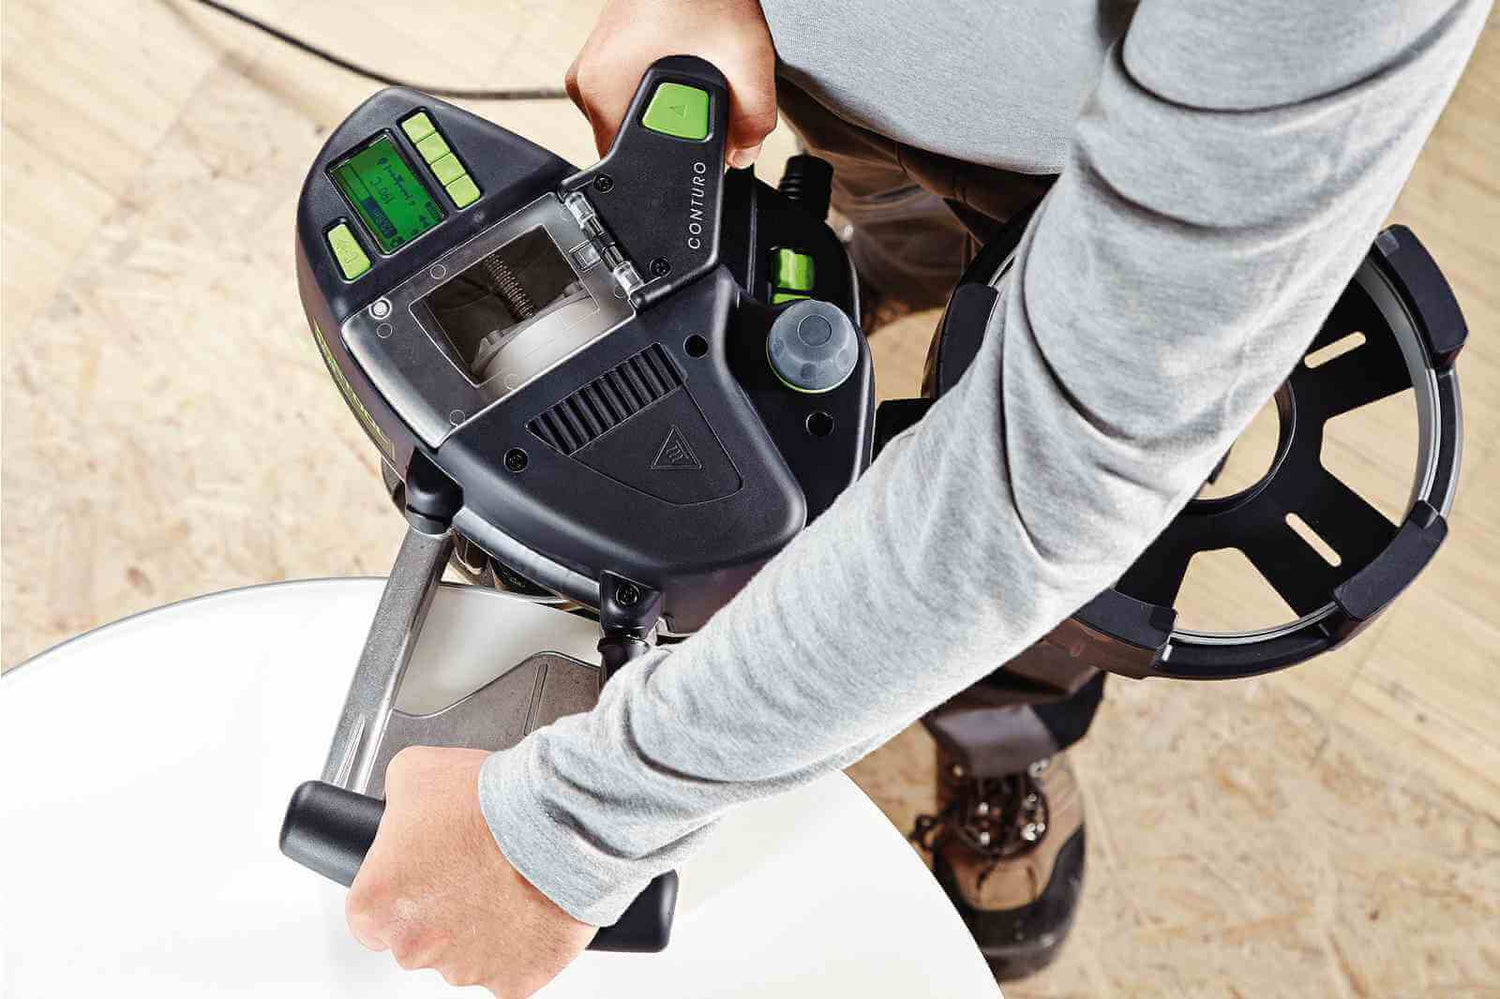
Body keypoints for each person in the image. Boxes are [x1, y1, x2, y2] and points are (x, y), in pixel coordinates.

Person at [341, 1, 1489, 993]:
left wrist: (570, 832)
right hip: (828, 69)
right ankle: (857, 290)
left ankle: (1003, 732)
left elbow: (1047, 485)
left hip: (1093, 152)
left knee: (1053, 562)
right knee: (877, 217)